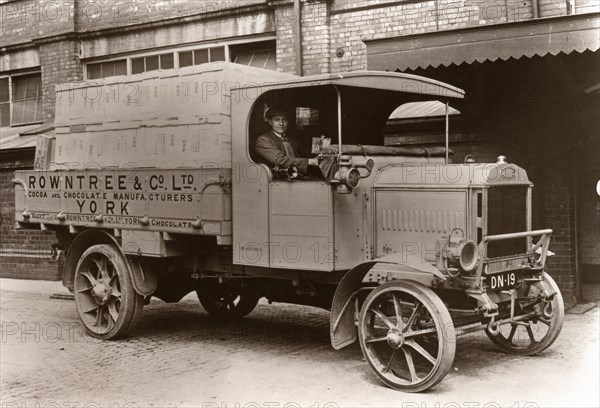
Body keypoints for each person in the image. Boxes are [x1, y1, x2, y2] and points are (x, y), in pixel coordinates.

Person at [255, 107, 318, 175]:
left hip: (296, 177)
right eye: (277, 120)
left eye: (284, 120)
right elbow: (280, 160)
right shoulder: (263, 140)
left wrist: (325, 149)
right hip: (277, 179)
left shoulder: (292, 139)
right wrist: (310, 161)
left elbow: (304, 153)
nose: (281, 123)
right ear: (270, 122)